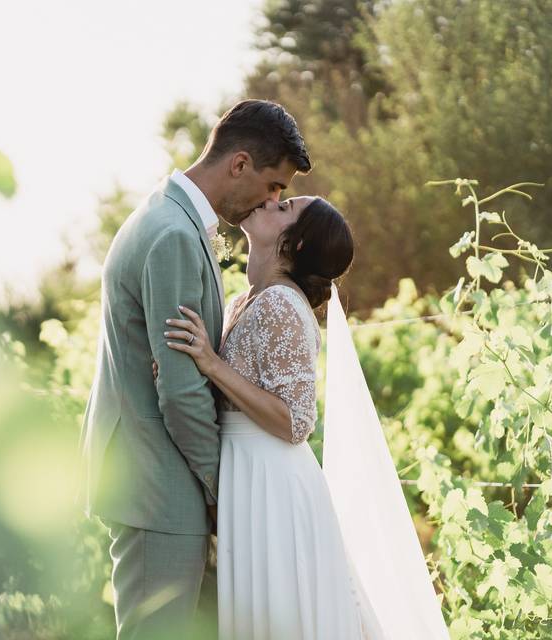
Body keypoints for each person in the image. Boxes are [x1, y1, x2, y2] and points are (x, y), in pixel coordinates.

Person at [79, 99, 311, 639]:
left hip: (150, 476)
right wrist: (223, 494)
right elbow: (181, 392)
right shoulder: (175, 236)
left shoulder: (165, 214)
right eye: (274, 185)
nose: (274, 199)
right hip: (157, 483)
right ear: (239, 164)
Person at [164, 196, 387, 638]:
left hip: (273, 482)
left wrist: (210, 364)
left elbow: (296, 421)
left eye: (283, 206)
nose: (269, 201)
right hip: (246, 475)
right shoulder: (245, 301)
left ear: (294, 243)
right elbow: (236, 392)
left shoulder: (282, 303)